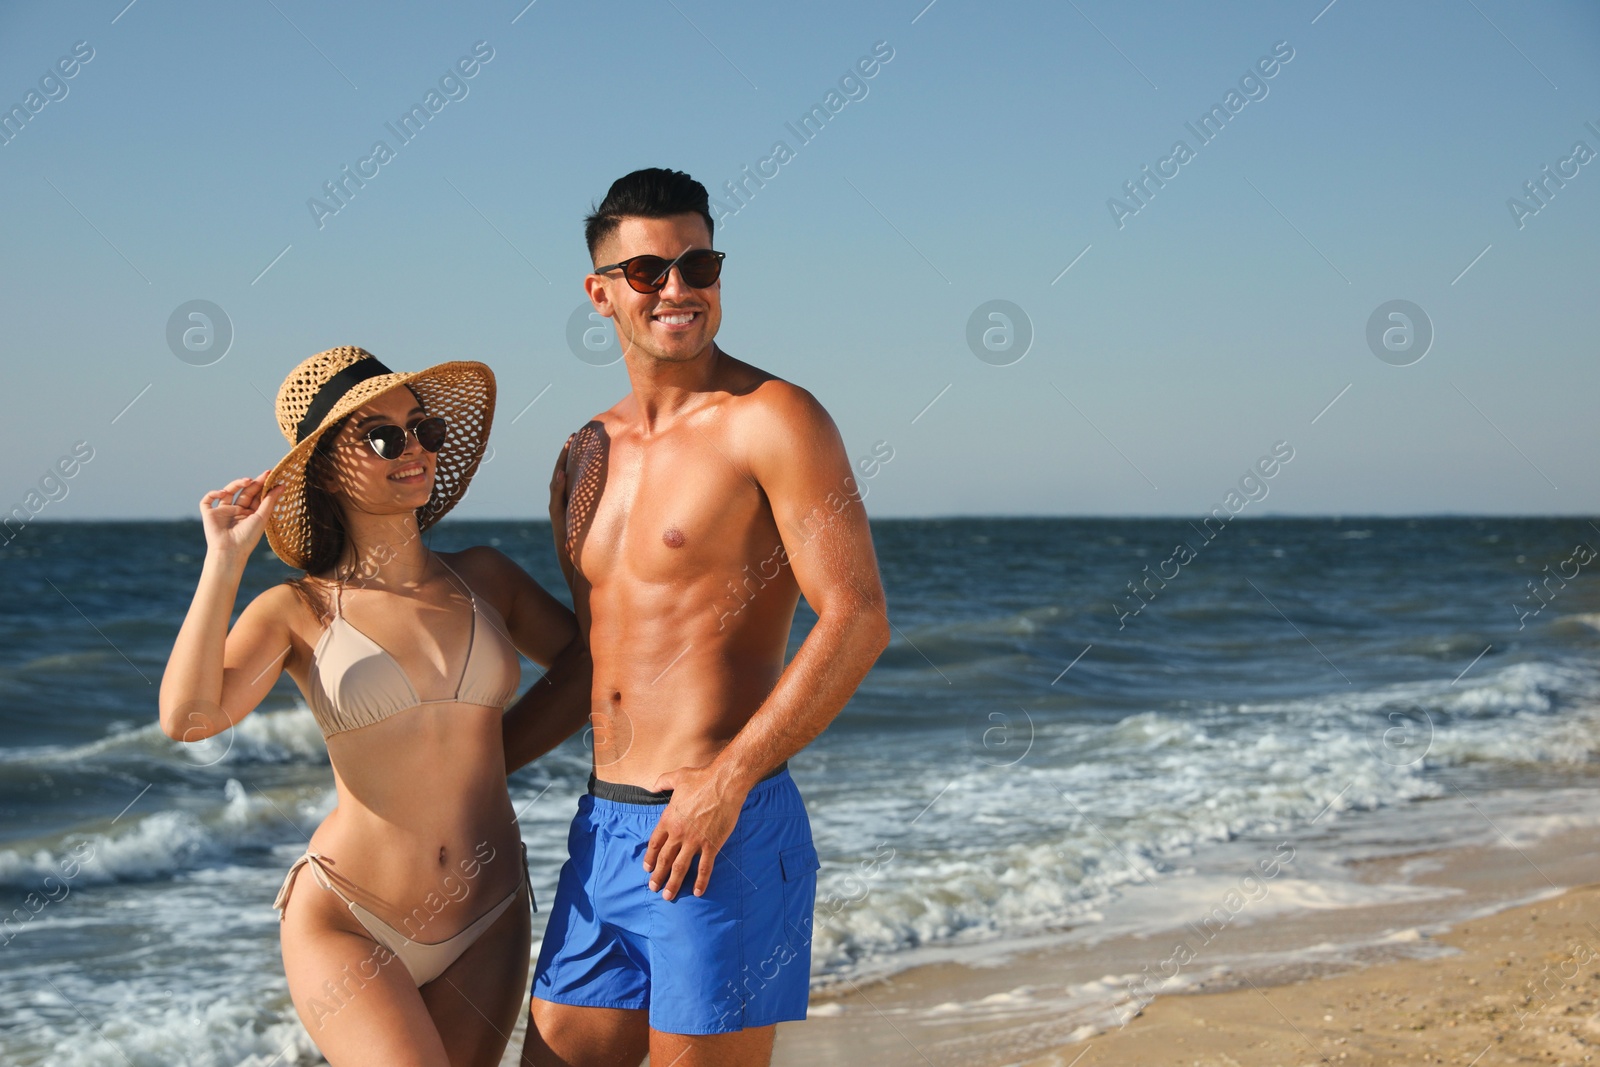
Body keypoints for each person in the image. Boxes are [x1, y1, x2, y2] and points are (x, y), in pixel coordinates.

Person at [518, 168, 890, 1067]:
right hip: (604, 832)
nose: (677, 289)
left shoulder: (773, 419)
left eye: (699, 263)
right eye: (647, 271)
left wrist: (726, 784)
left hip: (719, 827)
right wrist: (465, 773)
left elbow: (856, 618)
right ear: (600, 293)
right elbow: (591, 662)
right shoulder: (582, 456)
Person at [159, 346, 591, 1067]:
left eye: (424, 430)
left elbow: (593, 665)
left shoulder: (487, 577)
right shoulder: (296, 610)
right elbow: (189, 717)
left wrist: (573, 542)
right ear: (326, 467)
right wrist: (224, 560)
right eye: (384, 436)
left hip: (489, 910)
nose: (414, 448)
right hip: (350, 918)